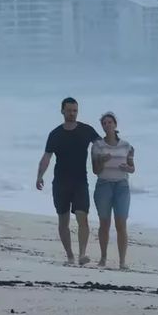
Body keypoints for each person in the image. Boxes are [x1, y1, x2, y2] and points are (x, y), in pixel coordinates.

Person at [36, 97, 101, 266]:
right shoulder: (55, 134)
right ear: (62, 111)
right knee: (63, 220)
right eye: (69, 110)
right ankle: (70, 256)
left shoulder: (86, 130)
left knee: (82, 217)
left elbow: (102, 145)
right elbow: (46, 157)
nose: (72, 114)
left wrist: (120, 151)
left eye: (75, 111)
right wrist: (39, 176)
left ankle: (82, 254)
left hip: (80, 181)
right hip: (60, 183)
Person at [91, 111, 135, 269]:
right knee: (104, 223)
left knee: (121, 224)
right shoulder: (97, 145)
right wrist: (102, 161)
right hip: (104, 185)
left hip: (121, 185)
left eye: (110, 122)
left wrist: (127, 167)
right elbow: (95, 170)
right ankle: (103, 259)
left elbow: (132, 168)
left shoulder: (126, 145)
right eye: (104, 123)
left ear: (115, 125)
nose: (107, 125)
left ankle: (122, 262)